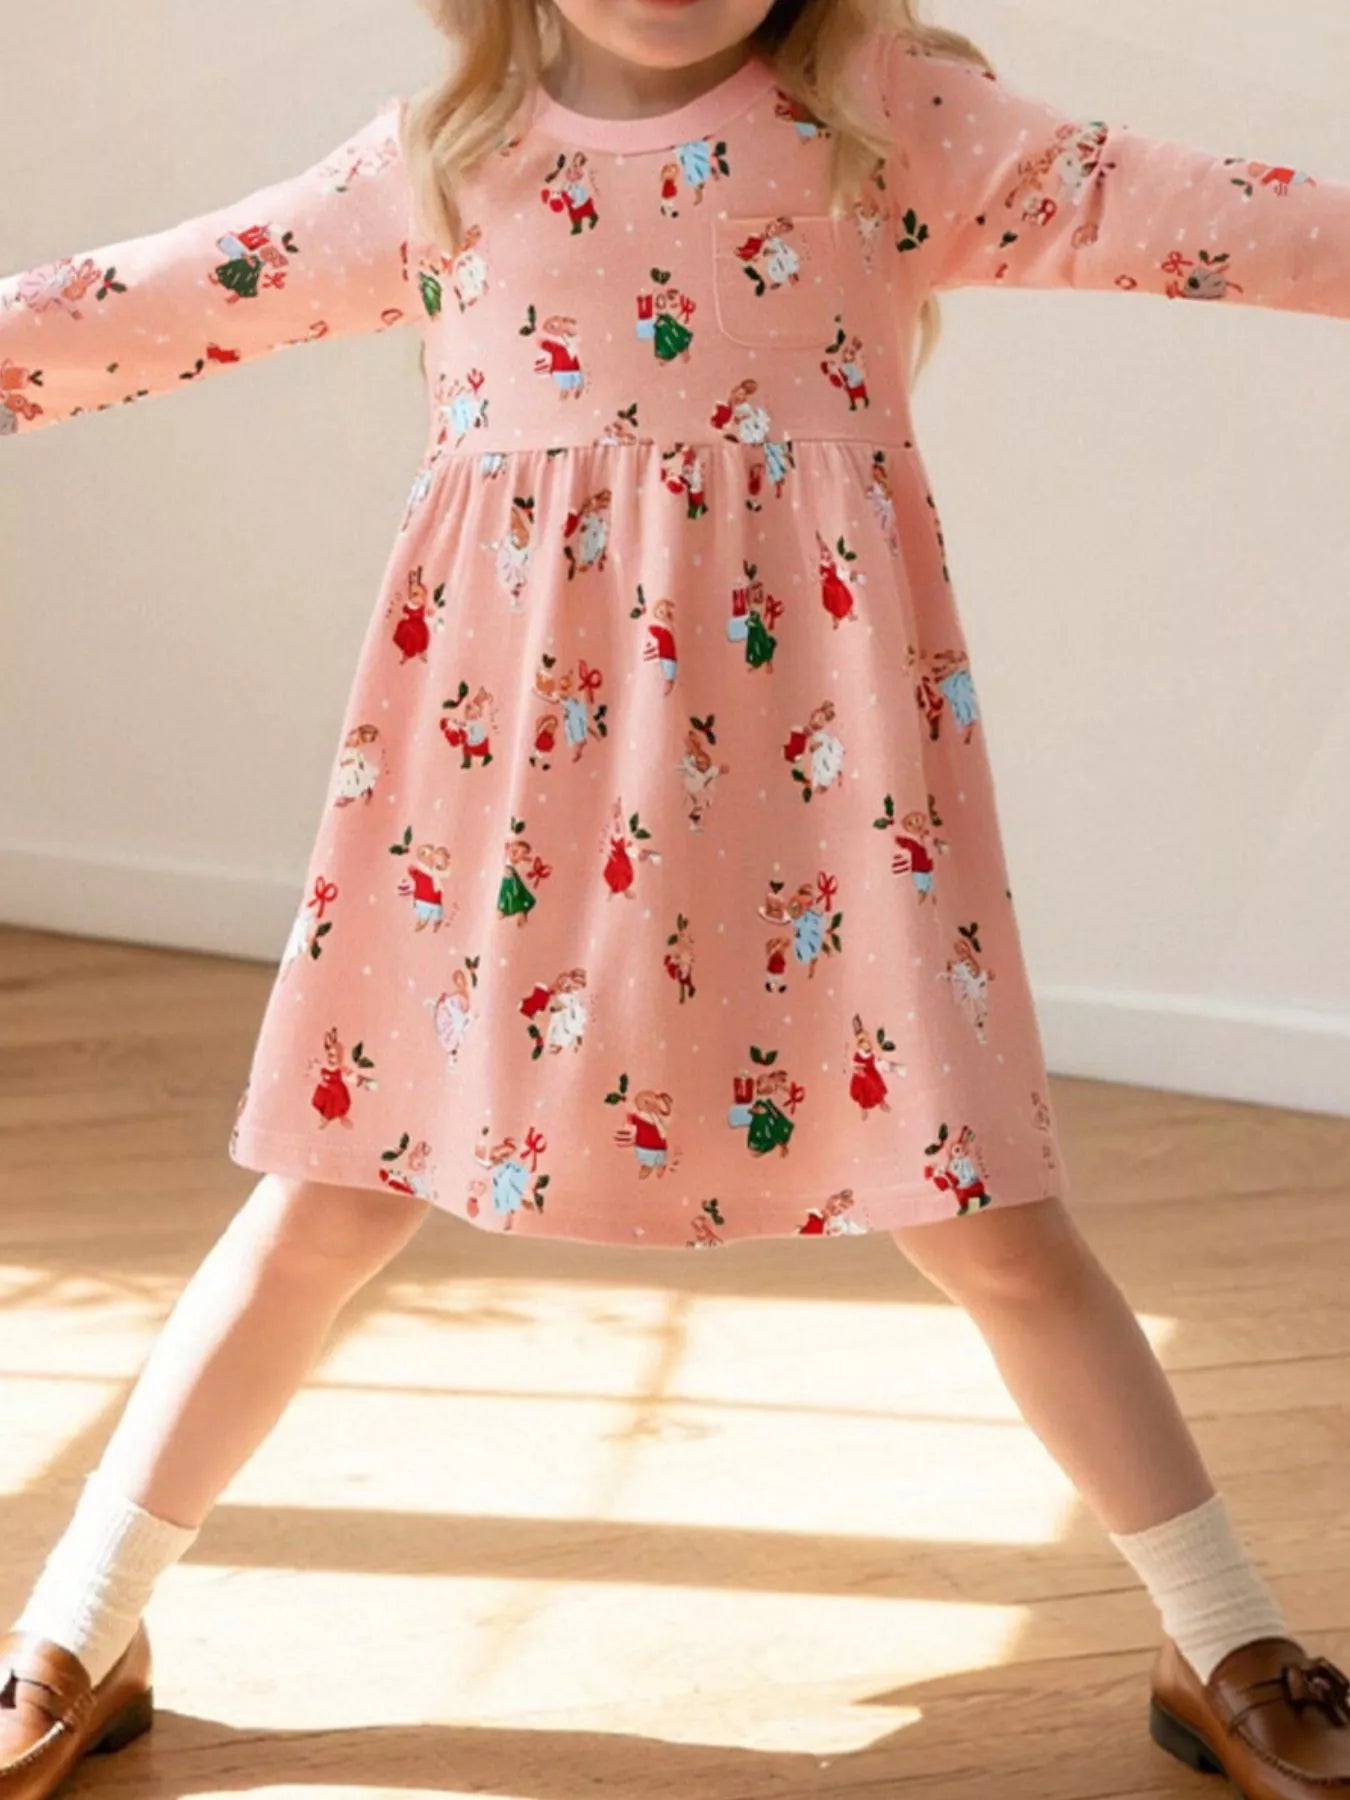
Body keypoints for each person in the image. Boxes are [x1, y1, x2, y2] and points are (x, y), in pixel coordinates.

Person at [3, 1, 1348, 1795]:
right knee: (327, 1200)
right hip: (489, 809)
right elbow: (144, 301)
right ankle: (81, 1622)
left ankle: (1218, 1629)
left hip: (827, 804)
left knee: (988, 1218)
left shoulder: (887, 128)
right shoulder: (441, 172)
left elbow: (1214, 212)